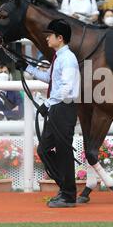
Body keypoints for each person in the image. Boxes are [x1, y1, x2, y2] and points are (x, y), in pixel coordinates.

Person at [16, 19, 80, 208]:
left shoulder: (67, 58)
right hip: (58, 107)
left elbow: (67, 88)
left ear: (59, 38)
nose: (47, 39)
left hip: (63, 108)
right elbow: (48, 78)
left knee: (63, 152)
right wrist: (26, 67)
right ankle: (66, 188)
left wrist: (47, 104)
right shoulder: (58, 57)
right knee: (44, 150)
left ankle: (68, 194)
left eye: (49, 36)